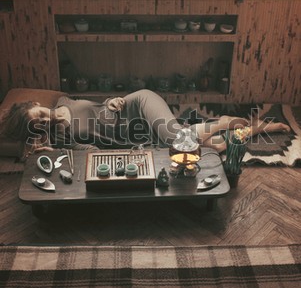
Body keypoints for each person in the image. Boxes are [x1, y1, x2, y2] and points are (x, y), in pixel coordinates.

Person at [0, 89, 290, 158]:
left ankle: (224, 122)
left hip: (138, 105)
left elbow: (102, 105)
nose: (43, 120)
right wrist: (46, 150)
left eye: (38, 114)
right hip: (142, 138)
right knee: (219, 146)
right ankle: (252, 127)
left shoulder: (62, 102)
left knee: (179, 142)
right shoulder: (61, 139)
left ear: (36, 106)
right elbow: (91, 155)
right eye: (36, 125)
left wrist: (116, 99)